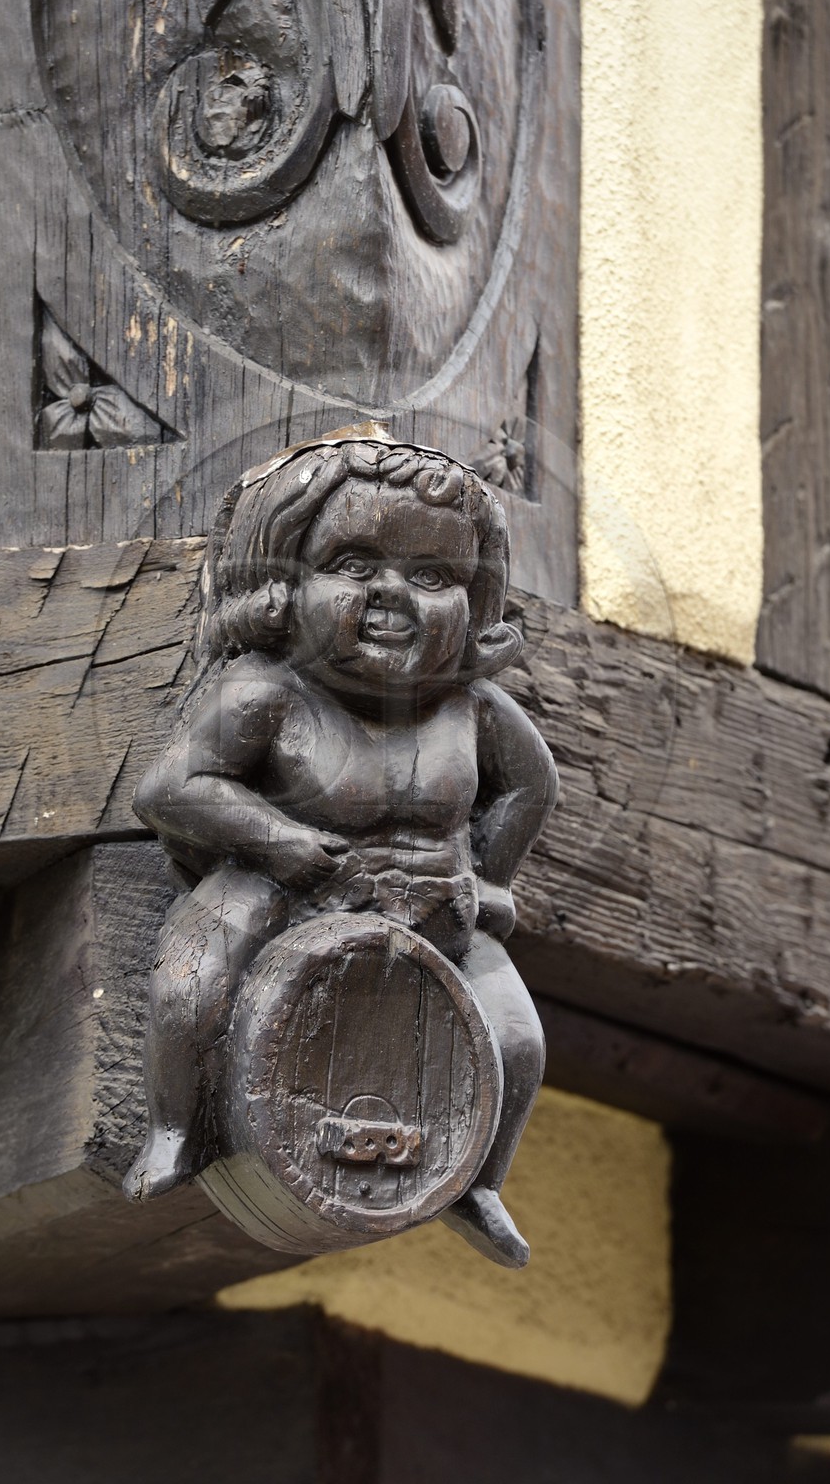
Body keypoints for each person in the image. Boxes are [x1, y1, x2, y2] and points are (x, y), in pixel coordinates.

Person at [124, 429, 558, 1267]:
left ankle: (479, 1180)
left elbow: (531, 789)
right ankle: (174, 1131)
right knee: (192, 983)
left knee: (518, 1039)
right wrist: (283, 844)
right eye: (355, 567)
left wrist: (483, 879)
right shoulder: (268, 691)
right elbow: (171, 789)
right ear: (287, 585)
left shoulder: (470, 710)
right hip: (280, 885)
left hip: (431, 900)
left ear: (475, 602)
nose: (393, 594)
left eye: (434, 578)